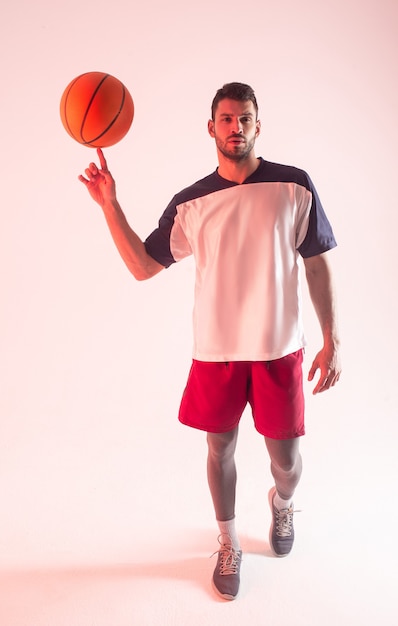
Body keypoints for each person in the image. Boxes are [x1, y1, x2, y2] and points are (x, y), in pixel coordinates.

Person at [79, 82, 341, 601]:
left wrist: (333, 337)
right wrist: (109, 203)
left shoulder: (294, 185)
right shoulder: (191, 202)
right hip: (216, 351)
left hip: (277, 347)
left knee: (285, 461)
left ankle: (282, 505)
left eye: (245, 118)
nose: (235, 127)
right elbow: (141, 266)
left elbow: (317, 262)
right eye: (226, 119)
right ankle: (228, 542)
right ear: (211, 127)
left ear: (257, 125)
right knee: (219, 448)